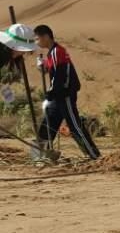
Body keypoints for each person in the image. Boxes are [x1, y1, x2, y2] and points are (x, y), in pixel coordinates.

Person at [32, 25, 99, 160]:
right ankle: (37, 157)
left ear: (46, 37)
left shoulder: (57, 51)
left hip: (64, 95)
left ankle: (94, 156)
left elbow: (59, 75)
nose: (36, 42)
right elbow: (53, 72)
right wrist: (44, 66)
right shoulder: (52, 53)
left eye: (37, 38)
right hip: (57, 96)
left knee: (74, 126)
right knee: (48, 124)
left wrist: (49, 94)